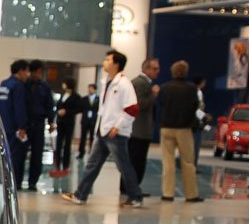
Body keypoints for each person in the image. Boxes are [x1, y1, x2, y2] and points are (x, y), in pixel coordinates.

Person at [61, 50, 144, 207]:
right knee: (92, 164)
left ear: (116, 64)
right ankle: (80, 195)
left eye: (108, 60)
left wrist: (118, 126)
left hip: (115, 133)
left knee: (123, 165)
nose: (105, 62)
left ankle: (136, 197)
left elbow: (132, 109)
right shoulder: (107, 81)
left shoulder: (124, 83)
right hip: (103, 130)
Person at [157, 60, 203, 202]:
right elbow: (195, 107)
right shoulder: (191, 88)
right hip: (184, 128)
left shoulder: (164, 87)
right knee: (188, 162)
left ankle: (167, 193)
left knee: (168, 162)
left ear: (173, 72)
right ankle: (191, 194)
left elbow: (161, 104)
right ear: (186, 72)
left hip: (166, 127)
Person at [120, 57, 160, 198]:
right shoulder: (140, 83)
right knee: (135, 160)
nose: (157, 71)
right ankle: (130, 188)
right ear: (146, 68)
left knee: (136, 160)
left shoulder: (143, 83)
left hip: (140, 130)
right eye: (154, 69)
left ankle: (132, 187)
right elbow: (138, 105)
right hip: (138, 130)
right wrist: (153, 95)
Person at [0, 59, 30, 191]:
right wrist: (22, 127)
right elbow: (19, 108)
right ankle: (15, 183)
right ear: (21, 71)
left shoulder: (4, 84)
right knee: (16, 158)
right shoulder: (18, 86)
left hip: (4, 126)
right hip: (15, 129)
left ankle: (5, 182)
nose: (27, 75)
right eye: (26, 71)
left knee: (5, 156)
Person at [23, 59, 55, 191]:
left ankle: (33, 182)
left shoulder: (44, 87)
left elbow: (50, 105)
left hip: (39, 123)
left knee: (37, 153)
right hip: (25, 123)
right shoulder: (23, 84)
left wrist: (51, 121)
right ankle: (18, 180)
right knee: (21, 153)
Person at [54, 76, 85, 174]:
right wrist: (58, 111)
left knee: (67, 144)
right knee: (59, 142)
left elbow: (79, 108)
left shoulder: (76, 96)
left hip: (69, 122)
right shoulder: (63, 94)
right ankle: (57, 163)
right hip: (60, 122)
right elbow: (58, 106)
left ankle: (65, 164)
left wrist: (67, 111)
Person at [192, 75, 211, 169]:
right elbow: (197, 109)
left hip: (189, 122)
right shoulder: (198, 92)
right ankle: (193, 166)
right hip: (196, 123)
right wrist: (204, 117)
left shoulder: (190, 91)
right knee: (195, 146)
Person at [78, 83, 98, 158]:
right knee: (83, 137)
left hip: (93, 120)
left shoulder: (98, 99)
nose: (89, 90)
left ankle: (92, 152)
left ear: (95, 90)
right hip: (85, 120)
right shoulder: (84, 99)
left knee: (92, 137)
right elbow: (80, 108)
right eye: (89, 88)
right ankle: (81, 152)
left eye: (91, 88)